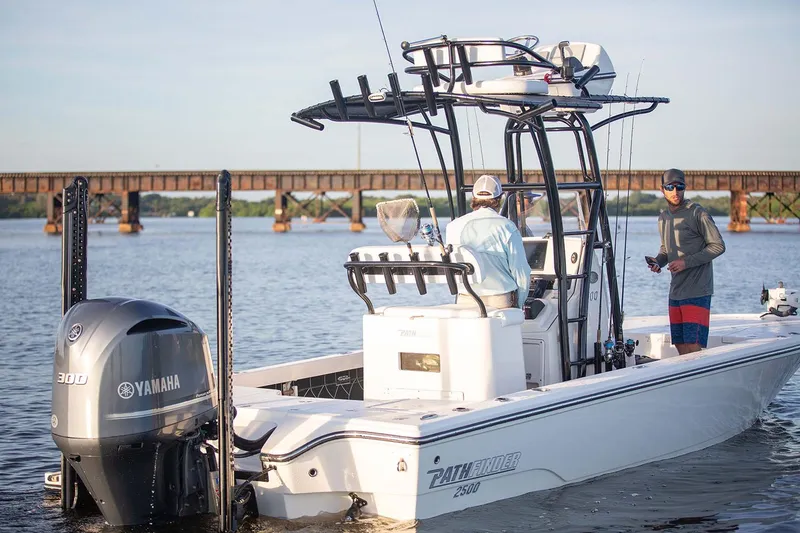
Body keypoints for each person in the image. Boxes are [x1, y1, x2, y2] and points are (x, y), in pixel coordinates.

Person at [648, 168, 726, 354]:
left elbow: (718, 246)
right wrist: (658, 262)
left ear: (685, 188)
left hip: (698, 290)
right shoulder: (663, 218)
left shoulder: (698, 214)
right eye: (670, 187)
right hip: (676, 292)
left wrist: (685, 262)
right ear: (662, 189)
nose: (675, 192)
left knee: (693, 345)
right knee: (681, 346)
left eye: (679, 187)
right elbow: (666, 250)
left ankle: (703, 382)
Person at [445, 174, 531, 309]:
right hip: (500, 300)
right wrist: (519, 305)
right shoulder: (508, 227)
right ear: (500, 198)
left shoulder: (452, 226)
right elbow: (521, 273)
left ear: (473, 198)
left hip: (465, 300)